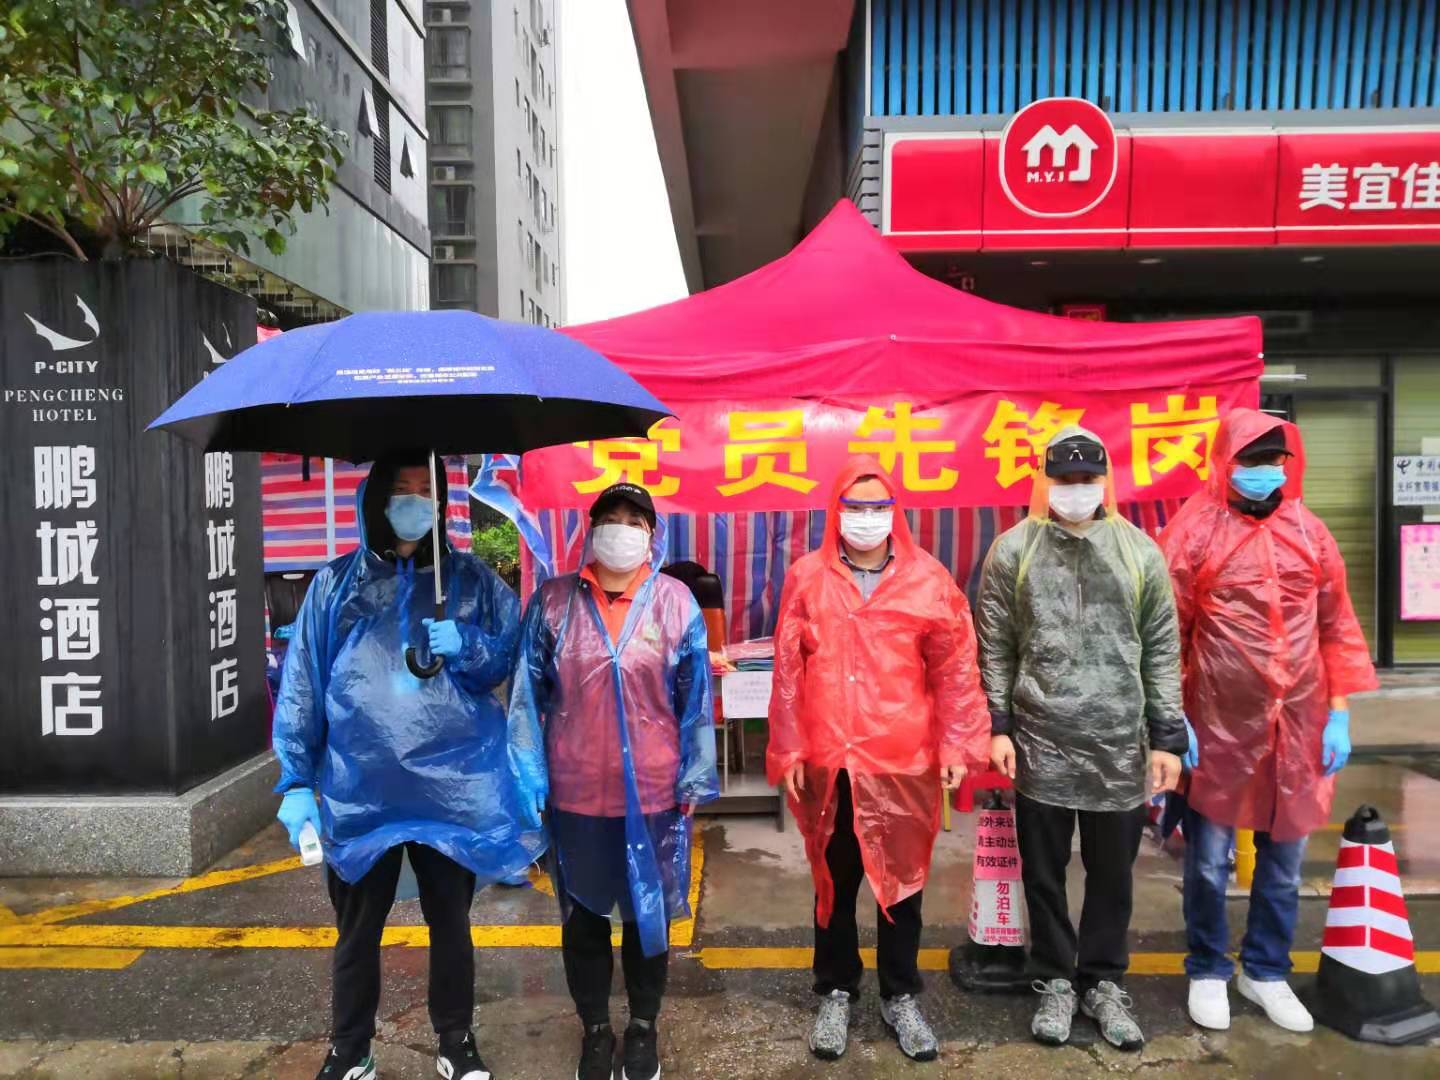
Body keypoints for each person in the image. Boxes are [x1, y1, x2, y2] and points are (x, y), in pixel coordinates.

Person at [272, 451, 542, 1080]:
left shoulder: (470, 582)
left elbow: (512, 657)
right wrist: (296, 780)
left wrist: (468, 644)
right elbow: (303, 682)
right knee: (357, 927)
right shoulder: (335, 585)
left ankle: (455, 1040)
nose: (414, 502)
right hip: (361, 789)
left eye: (426, 490)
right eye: (402, 489)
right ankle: (350, 1047)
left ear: (442, 502)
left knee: (450, 922)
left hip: (451, 787)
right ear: (377, 498)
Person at [1159, 409, 1377, 1034]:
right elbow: (1165, 634)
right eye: (1251, 460)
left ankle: (1265, 970)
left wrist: (1338, 714)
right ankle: (1207, 968)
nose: (1264, 472)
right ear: (1225, 463)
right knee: (1209, 861)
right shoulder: (1192, 533)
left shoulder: (1310, 532)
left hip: (1300, 725)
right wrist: (1173, 718)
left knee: (1285, 862)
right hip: (1217, 724)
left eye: (1274, 461)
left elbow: (1337, 626)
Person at [768, 458, 990, 1064]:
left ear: (895, 513)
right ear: (835, 512)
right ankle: (836, 989)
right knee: (833, 882)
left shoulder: (927, 579)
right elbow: (788, 671)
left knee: (903, 886)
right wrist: (790, 745)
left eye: (878, 507)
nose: (866, 518)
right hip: (832, 762)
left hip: (902, 760)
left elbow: (955, 669)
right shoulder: (808, 578)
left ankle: (901, 994)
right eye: (855, 507)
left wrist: (956, 744)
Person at [976, 427, 1186, 1052]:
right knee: (1043, 873)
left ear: (1104, 481)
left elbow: (1161, 650)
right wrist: (998, 725)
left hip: (1119, 742)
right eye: (1063, 480)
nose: (1075, 490)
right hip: (1039, 738)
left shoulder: (1139, 553)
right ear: (1044, 481)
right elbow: (995, 646)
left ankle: (1102, 980)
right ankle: (1054, 979)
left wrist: (1166, 737)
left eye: (1086, 479)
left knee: (1112, 874)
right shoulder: (1013, 552)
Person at [509, 483, 719, 1080]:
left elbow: (696, 699)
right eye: (610, 518)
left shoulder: (676, 602)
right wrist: (528, 772)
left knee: (648, 917)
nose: (621, 530)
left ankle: (644, 1027)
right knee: (584, 920)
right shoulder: (553, 602)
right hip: (576, 793)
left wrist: (696, 774)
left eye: (634, 520)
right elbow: (525, 695)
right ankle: (596, 1030)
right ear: (592, 527)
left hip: (654, 791)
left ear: (651, 534)